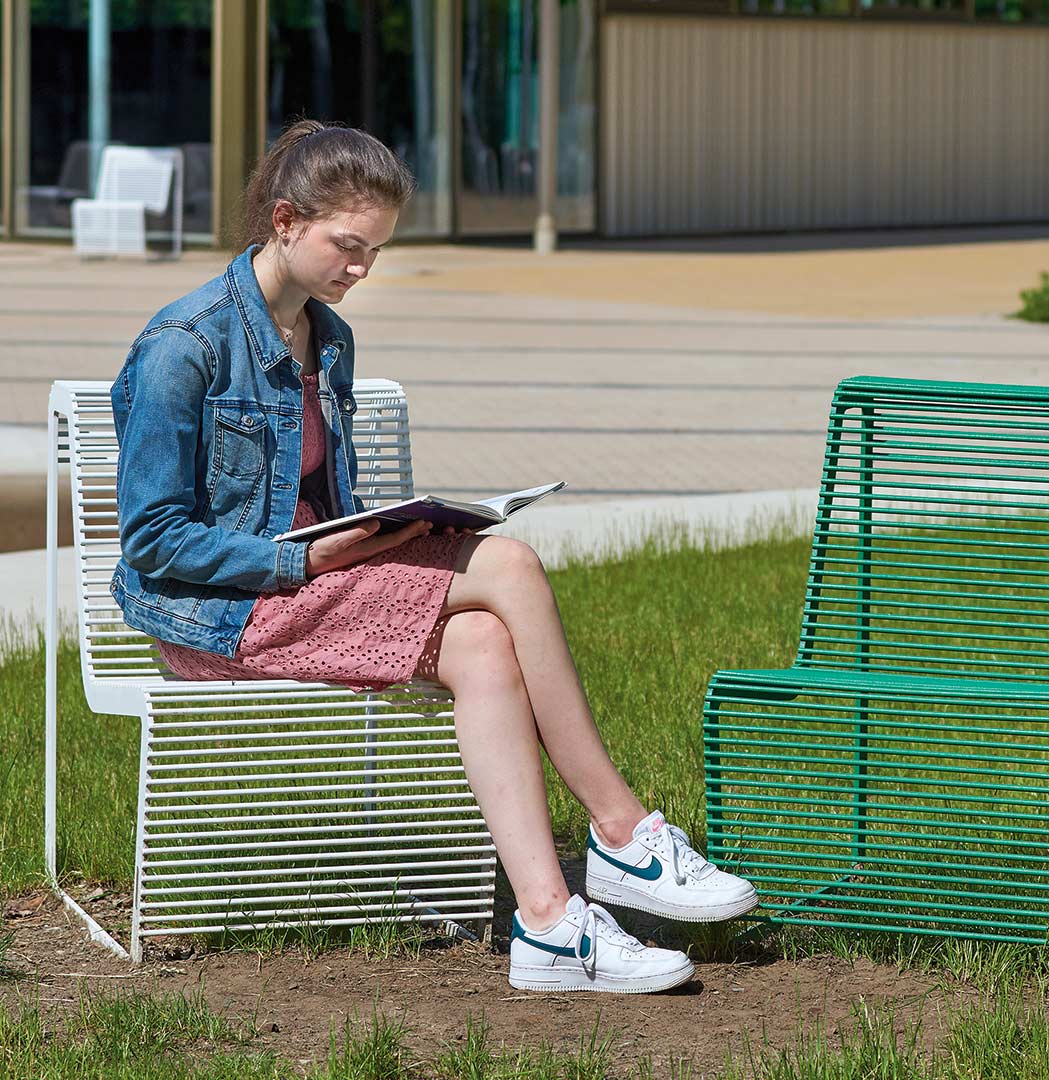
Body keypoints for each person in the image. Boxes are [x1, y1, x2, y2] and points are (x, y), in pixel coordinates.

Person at [109, 120, 756, 994]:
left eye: (375, 250)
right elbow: (154, 540)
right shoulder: (183, 346)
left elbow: (318, 506)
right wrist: (304, 560)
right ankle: (621, 831)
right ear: (286, 218)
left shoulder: (325, 340)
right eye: (347, 245)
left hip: (318, 588)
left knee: (487, 643)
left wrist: (380, 534)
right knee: (513, 567)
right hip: (226, 617)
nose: (361, 269)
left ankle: (550, 928)